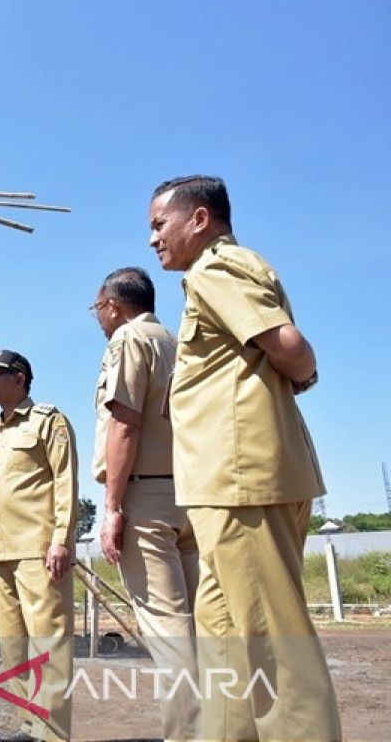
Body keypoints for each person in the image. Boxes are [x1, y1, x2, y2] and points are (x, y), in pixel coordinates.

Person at [149, 175, 341, 740]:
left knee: (272, 646)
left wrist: (303, 376)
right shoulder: (210, 274)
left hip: (241, 480)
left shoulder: (216, 268)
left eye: (160, 224)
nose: (153, 238)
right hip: (225, 482)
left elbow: (290, 347)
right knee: (227, 636)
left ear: (200, 219)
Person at [90, 266, 198, 740]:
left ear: (112, 305)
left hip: (146, 497)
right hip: (189, 493)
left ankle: (191, 734)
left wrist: (113, 506)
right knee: (199, 627)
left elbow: (125, 423)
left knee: (169, 633)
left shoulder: (129, 341)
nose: (97, 317)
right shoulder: (176, 342)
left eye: (97, 308)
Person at [0, 350, 76, 742]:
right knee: (14, 649)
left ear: (20, 379)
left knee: (49, 642)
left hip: (38, 549)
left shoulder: (48, 421)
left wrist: (62, 540)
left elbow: (65, 483)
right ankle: (29, 726)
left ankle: (53, 733)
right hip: (2, 554)